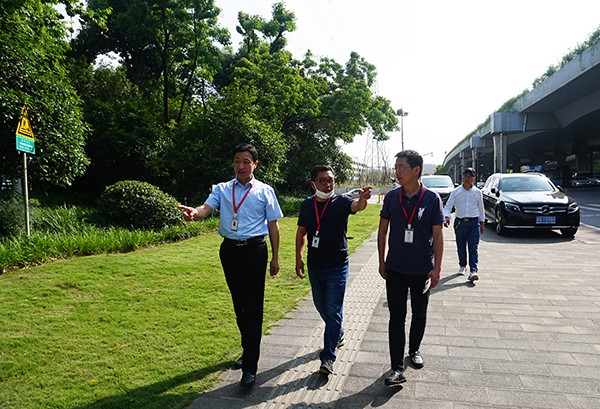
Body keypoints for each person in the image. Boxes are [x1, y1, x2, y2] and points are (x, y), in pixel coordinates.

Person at [178, 143, 283, 389]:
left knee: (253, 307)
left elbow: (273, 225)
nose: (241, 166)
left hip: (255, 250)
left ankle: (250, 368)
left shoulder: (265, 191)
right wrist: (194, 212)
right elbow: (206, 208)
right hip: (229, 251)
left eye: (246, 161)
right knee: (240, 306)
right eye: (237, 160)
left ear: (255, 164)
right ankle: (248, 350)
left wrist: (275, 258)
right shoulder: (223, 189)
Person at [295, 166, 372, 375]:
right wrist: (298, 258)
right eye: (322, 180)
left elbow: (358, 206)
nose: (328, 185)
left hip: (337, 265)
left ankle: (328, 358)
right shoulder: (307, 205)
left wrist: (363, 198)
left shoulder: (342, 202)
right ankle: (338, 333)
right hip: (315, 265)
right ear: (313, 184)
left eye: (331, 180)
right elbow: (301, 232)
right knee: (322, 307)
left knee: (333, 309)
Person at [377, 150, 444, 387]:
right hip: (395, 267)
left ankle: (414, 349)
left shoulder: (432, 199)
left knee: (419, 313)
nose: (397, 172)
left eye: (401, 167)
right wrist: (382, 261)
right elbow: (383, 230)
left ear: (417, 170)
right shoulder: (392, 197)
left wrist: (436, 268)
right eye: (396, 167)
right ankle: (396, 368)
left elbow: (438, 235)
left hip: (421, 268)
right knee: (396, 317)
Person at [443, 167, 485, 282]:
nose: (467, 178)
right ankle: (462, 265)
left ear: (474, 178)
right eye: (466, 176)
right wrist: (447, 217)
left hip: (473, 223)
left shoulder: (477, 192)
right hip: (460, 222)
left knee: (473, 247)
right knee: (461, 246)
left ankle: (473, 270)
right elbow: (448, 206)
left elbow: (481, 208)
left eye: (470, 176)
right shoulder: (456, 192)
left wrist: (482, 223)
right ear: (462, 177)